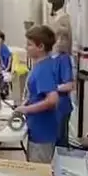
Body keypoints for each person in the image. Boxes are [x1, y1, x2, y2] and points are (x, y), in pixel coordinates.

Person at [17, 25, 62, 164]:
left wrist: (26, 109)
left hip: (42, 132)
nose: (26, 48)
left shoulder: (44, 69)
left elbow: (52, 100)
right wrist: (27, 103)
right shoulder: (42, 66)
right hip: (38, 129)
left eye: (29, 45)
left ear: (40, 46)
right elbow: (38, 94)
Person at [52, 48, 75, 147]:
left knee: (59, 143)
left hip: (60, 107)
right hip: (50, 107)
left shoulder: (63, 59)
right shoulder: (48, 59)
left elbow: (69, 85)